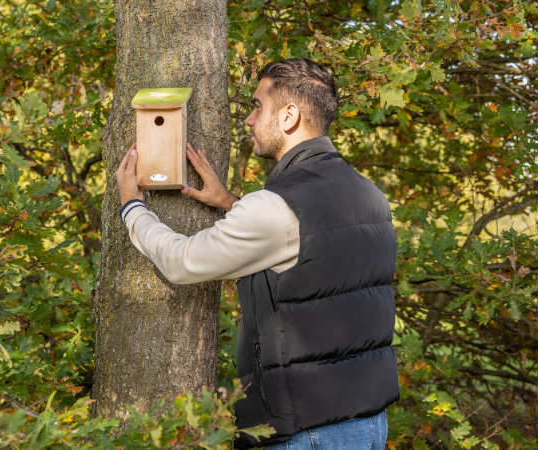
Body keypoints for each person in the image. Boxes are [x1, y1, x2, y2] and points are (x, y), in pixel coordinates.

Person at [114, 58, 398, 450]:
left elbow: (182, 262)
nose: (248, 119)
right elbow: (309, 249)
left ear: (289, 116)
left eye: (257, 106)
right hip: (367, 422)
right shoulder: (367, 193)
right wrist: (230, 202)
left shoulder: (274, 208)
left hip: (307, 429)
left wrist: (132, 208)